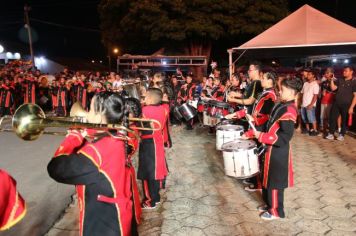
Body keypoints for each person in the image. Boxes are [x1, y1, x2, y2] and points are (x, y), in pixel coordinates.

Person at [47, 92, 141, 236]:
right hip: (116, 212)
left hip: (104, 222)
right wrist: (85, 132)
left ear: (98, 116)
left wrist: (73, 137)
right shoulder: (117, 134)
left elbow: (56, 169)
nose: (87, 112)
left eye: (90, 109)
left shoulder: (97, 152)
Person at [249, 77, 303, 220]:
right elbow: (268, 125)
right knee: (267, 178)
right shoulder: (281, 105)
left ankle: (276, 211)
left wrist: (262, 137)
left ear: (292, 93)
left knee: (274, 182)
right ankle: (268, 204)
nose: (279, 91)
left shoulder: (290, 110)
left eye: (282, 90)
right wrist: (251, 133)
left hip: (278, 152)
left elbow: (285, 137)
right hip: (269, 149)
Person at [225, 72, 277, 191]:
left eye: (263, 78)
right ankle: (254, 178)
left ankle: (258, 184)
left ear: (270, 81)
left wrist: (255, 120)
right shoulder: (263, 93)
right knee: (255, 155)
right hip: (255, 126)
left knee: (257, 157)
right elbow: (252, 110)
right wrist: (236, 114)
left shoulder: (270, 96)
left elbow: (268, 116)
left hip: (260, 129)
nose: (261, 80)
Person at [138, 88, 168, 209]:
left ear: (149, 99)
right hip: (158, 141)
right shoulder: (163, 109)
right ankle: (156, 197)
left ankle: (151, 201)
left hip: (148, 142)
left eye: (145, 97)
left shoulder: (144, 110)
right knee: (157, 170)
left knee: (148, 173)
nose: (143, 99)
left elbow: (137, 126)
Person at [326, 66, 356, 141]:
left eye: (346, 71)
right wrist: (331, 80)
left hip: (347, 104)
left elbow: (355, 96)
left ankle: (341, 134)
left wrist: (352, 107)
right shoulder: (340, 80)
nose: (344, 72)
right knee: (332, 118)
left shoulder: (354, 82)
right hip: (336, 103)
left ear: (351, 72)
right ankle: (331, 134)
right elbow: (333, 88)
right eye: (343, 71)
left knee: (344, 120)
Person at [300, 70, 319, 136]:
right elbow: (302, 93)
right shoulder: (305, 83)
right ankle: (308, 130)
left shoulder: (315, 84)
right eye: (307, 74)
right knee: (305, 118)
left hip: (310, 104)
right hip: (303, 104)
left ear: (313, 75)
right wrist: (301, 103)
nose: (308, 76)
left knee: (311, 118)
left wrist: (311, 104)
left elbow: (315, 96)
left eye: (309, 74)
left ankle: (315, 130)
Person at [320, 68, 337, 134]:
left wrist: (329, 92)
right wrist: (323, 92)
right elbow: (322, 92)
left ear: (332, 73)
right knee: (324, 117)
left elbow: (335, 91)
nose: (326, 74)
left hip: (331, 102)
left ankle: (331, 131)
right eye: (325, 73)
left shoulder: (336, 81)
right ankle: (324, 131)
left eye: (327, 73)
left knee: (331, 118)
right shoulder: (324, 82)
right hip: (323, 101)